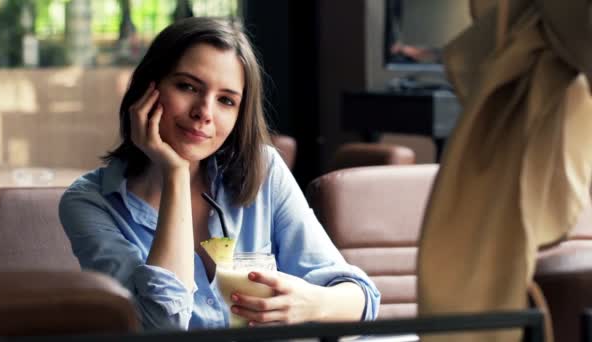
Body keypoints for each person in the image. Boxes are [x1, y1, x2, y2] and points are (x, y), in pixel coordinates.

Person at [59, 17, 380, 330]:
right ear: (148, 89)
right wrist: (175, 174)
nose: (204, 113)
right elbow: (161, 325)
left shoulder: (263, 169)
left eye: (226, 100)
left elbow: (363, 300)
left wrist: (310, 303)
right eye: (187, 86)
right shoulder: (91, 202)